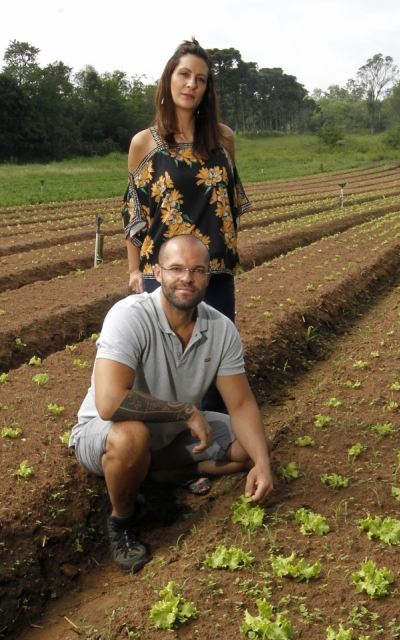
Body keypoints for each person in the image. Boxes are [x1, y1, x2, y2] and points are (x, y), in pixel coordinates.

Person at [69, 234, 273, 574]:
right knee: (132, 437)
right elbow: (109, 402)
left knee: (250, 450)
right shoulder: (129, 316)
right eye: (176, 268)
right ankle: (123, 522)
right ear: (157, 272)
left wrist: (263, 464)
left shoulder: (220, 329)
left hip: (171, 434)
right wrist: (185, 410)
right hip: (105, 434)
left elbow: (240, 404)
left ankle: (154, 478)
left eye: (197, 270)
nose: (186, 278)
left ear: (209, 276)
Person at [122, 38, 250, 424]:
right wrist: (134, 270)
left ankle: (204, 451)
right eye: (184, 75)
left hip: (214, 273)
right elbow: (134, 213)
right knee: (161, 364)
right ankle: (160, 455)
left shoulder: (223, 139)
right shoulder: (145, 143)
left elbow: (228, 204)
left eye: (200, 79)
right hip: (163, 272)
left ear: (207, 89)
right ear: (169, 80)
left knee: (211, 361)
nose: (191, 84)